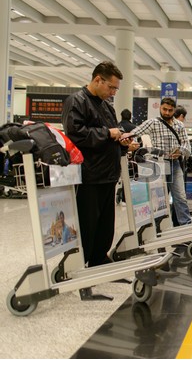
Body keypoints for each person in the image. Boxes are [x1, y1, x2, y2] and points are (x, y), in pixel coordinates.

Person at [61, 61, 133, 267]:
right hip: (89, 174)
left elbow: (112, 133)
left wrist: (123, 141)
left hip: (108, 174)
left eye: (116, 89)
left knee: (105, 223)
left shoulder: (107, 107)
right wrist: (107, 133)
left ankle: (99, 258)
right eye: (111, 87)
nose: (113, 93)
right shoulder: (77, 101)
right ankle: (81, 261)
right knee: (88, 221)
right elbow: (75, 135)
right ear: (97, 80)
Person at [130, 97, 192, 226]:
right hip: (157, 164)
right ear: (160, 108)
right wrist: (129, 142)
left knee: (180, 196)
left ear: (174, 110)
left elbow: (187, 144)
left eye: (170, 110)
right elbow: (134, 132)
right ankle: (157, 227)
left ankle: (185, 225)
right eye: (164, 109)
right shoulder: (152, 122)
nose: (167, 113)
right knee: (158, 198)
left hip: (174, 164)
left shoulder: (179, 125)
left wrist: (180, 151)